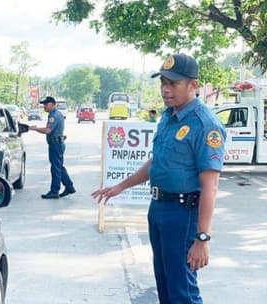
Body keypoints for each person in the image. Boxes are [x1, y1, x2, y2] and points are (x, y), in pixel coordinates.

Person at [92, 54, 226, 304]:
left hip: (183, 214)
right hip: (159, 209)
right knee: (164, 283)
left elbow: (211, 186)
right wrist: (120, 186)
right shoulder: (168, 117)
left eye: (173, 83)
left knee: (182, 290)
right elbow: (158, 162)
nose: (166, 89)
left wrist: (202, 237)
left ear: (193, 85)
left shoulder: (205, 125)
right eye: (163, 82)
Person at [30, 96, 76, 199]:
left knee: (55, 168)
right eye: (44, 105)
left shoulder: (54, 115)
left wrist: (36, 128)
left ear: (52, 104)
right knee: (59, 166)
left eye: (46, 104)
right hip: (56, 143)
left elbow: (48, 130)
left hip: (56, 144)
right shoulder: (54, 114)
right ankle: (69, 186)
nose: (44, 107)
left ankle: (54, 191)